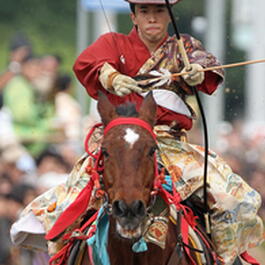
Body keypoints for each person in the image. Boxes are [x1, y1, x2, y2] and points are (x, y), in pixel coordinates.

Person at [10, 1, 264, 264]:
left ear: (168, 16)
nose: (152, 18)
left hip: (170, 143)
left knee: (230, 198)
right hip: (118, 143)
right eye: (144, 12)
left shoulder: (183, 47)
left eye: (158, 11)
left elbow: (207, 65)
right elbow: (86, 62)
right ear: (133, 16)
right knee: (68, 202)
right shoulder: (113, 43)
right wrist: (110, 76)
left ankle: (224, 257)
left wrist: (197, 73)